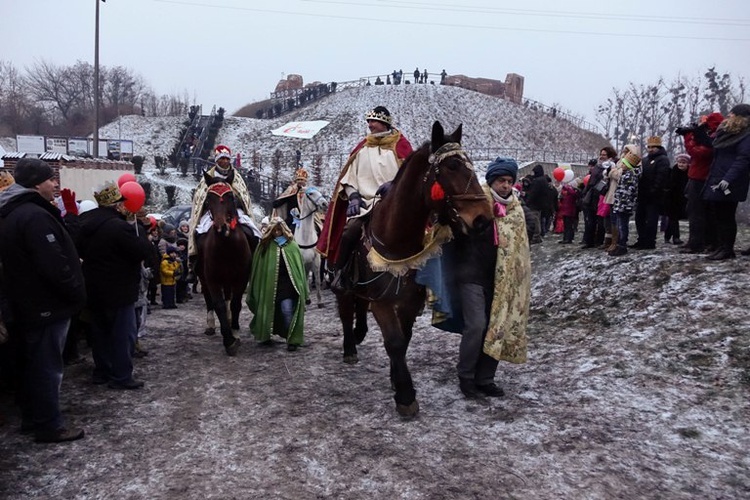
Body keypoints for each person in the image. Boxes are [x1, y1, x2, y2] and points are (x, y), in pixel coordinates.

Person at [417, 157, 530, 398]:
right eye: (501, 180)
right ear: (491, 181)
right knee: (476, 325)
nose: (506, 186)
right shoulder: (475, 203)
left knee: (496, 326)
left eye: (510, 181)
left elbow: (519, 249)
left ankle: (486, 378)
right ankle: (466, 375)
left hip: (501, 281)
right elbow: (452, 229)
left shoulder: (516, 211)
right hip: (471, 275)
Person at [0, 158, 86, 442]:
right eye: (50, 179)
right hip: (45, 306)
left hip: (28, 304)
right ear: (37, 183)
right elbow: (53, 263)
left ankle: (32, 418)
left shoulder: (15, 212)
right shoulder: (34, 216)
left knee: (31, 364)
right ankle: (49, 425)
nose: (55, 184)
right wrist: (75, 289)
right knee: (48, 367)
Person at [316, 106, 413, 275]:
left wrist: (395, 185)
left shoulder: (401, 147)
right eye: (369, 121)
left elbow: (412, 176)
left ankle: (423, 283)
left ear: (385, 123)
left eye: (374, 121)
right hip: (365, 206)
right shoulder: (362, 148)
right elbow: (349, 177)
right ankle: (340, 273)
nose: (370, 125)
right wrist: (353, 195)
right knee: (348, 234)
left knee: (419, 235)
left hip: (394, 205)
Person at [77, 181, 154, 390]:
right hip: (119, 290)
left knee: (100, 334)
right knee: (122, 334)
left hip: (93, 288)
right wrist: (146, 236)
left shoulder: (83, 224)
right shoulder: (118, 227)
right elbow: (142, 251)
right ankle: (121, 376)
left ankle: (102, 371)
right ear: (115, 205)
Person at [187, 144, 261, 279]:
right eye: (222, 159)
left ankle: (255, 261)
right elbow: (201, 197)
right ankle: (196, 263)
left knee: (253, 231)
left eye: (227, 159)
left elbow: (243, 196)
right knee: (199, 232)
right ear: (217, 161)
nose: (225, 162)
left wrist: (235, 202)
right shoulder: (208, 177)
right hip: (213, 212)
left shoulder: (236, 177)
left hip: (234, 211)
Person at [246, 218, 308, 351]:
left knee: (287, 311)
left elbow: (300, 270)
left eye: (279, 230)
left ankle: (292, 338)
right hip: (269, 286)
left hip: (288, 286)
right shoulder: (265, 247)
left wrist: (303, 289)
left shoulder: (292, 246)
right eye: (274, 230)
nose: (277, 232)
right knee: (267, 310)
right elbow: (258, 267)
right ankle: (265, 335)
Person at [703, 104, 750, 260]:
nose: (728, 116)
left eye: (732, 114)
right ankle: (722, 247)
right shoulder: (726, 133)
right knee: (719, 215)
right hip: (718, 177)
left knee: (726, 216)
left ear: (740, 117)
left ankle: (727, 249)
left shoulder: (746, 136)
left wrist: (728, 179)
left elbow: (742, 160)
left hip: (731, 180)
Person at [677, 112, 724, 254]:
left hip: (701, 178)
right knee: (701, 212)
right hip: (701, 176)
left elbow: (697, 152)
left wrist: (688, 136)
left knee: (697, 212)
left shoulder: (713, 139)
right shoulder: (711, 137)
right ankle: (703, 241)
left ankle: (697, 243)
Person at [632, 136, 671, 250]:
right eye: (649, 147)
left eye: (653, 147)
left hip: (654, 197)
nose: (650, 149)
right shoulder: (645, 160)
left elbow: (661, 177)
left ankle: (649, 242)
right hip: (643, 195)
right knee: (639, 218)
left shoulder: (663, 159)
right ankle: (641, 239)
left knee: (651, 220)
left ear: (658, 147)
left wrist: (653, 190)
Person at [609, 148, 642, 256]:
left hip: (624, 205)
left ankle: (622, 245)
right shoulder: (627, 175)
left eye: (624, 164)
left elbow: (627, 192)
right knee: (620, 224)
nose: (622, 165)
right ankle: (619, 243)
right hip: (621, 204)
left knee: (622, 225)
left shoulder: (629, 176)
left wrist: (621, 202)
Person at [664, 153, 690, 244]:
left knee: (674, 219)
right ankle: (676, 237)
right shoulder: (673, 171)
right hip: (673, 198)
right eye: (679, 162)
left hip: (685, 198)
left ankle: (667, 235)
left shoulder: (690, 173)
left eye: (683, 162)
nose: (681, 164)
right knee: (673, 218)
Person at [159, 245, 182, 309]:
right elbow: (164, 271)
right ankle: (166, 304)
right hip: (166, 281)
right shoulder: (165, 262)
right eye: (172, 253)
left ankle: (172, 303)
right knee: (166, 293)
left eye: (175, 253)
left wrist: (178, 264)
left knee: (172, 293)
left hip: (172, 281)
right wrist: (173, 273)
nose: (174, 254)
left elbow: (175, 267)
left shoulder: (173, 261)